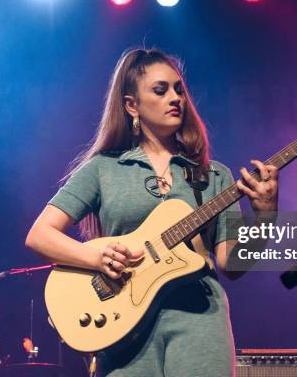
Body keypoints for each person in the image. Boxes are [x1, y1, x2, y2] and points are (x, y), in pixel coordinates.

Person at [25, 48, 278, 376]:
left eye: (179, 90)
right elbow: (40, 235)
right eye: (161, 90)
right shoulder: (102, 169)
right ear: (132, 105)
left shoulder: (215, 176)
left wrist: (266, 217)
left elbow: (232, 264)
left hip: (199, 319)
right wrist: (97, 259)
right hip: (122, 325)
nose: (176, 98)